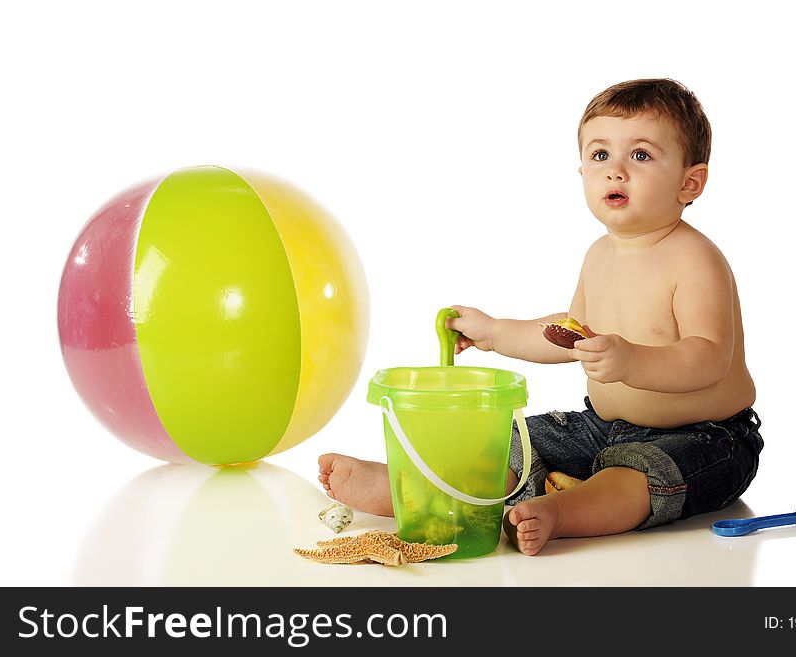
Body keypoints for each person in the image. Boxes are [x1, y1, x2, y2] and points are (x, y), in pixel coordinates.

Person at [319, 78, 763, 556]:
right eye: (599, 156)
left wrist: (632, 362)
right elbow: (568, 335)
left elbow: (710, 357)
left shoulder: (695, 260)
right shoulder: (599, 256)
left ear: (689, 182)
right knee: (514, 442)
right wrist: (495, 333)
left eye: (640, 155)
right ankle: (418, 491)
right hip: (602, 425)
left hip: (706, 437)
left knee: (637, 473)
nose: (615, 171)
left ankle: (562, 513)